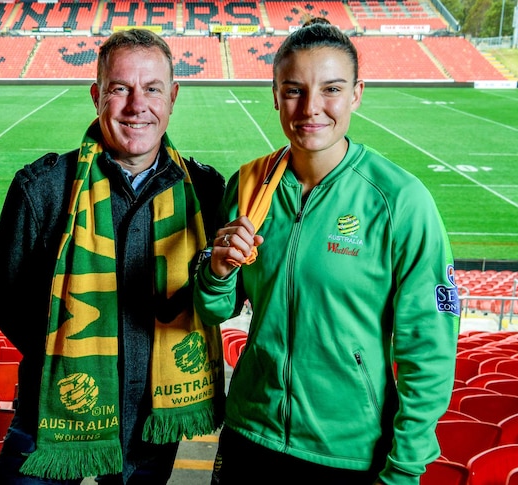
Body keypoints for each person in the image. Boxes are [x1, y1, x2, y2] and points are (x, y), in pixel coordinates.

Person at [194, 17, 459, 485]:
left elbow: (430, 348)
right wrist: (215, 272)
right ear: (275, 95)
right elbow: (218, 309)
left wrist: (404, 468)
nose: (311, 108)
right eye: (294, 90)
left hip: (347, 453)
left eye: (331, 89)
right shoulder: (248, 185)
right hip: (249, 435)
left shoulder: (400, 200)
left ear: (357, 93)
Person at [0, 28, 227, 485]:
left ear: (172, 97)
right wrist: (64, 356)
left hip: (156, 418)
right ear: (97, 96)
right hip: (54, 411)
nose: (138, 105)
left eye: (152, 89)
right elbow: (1, 293)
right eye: (120, 89)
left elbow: (221, 294)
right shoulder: (43, 189)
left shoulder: (206, 192)